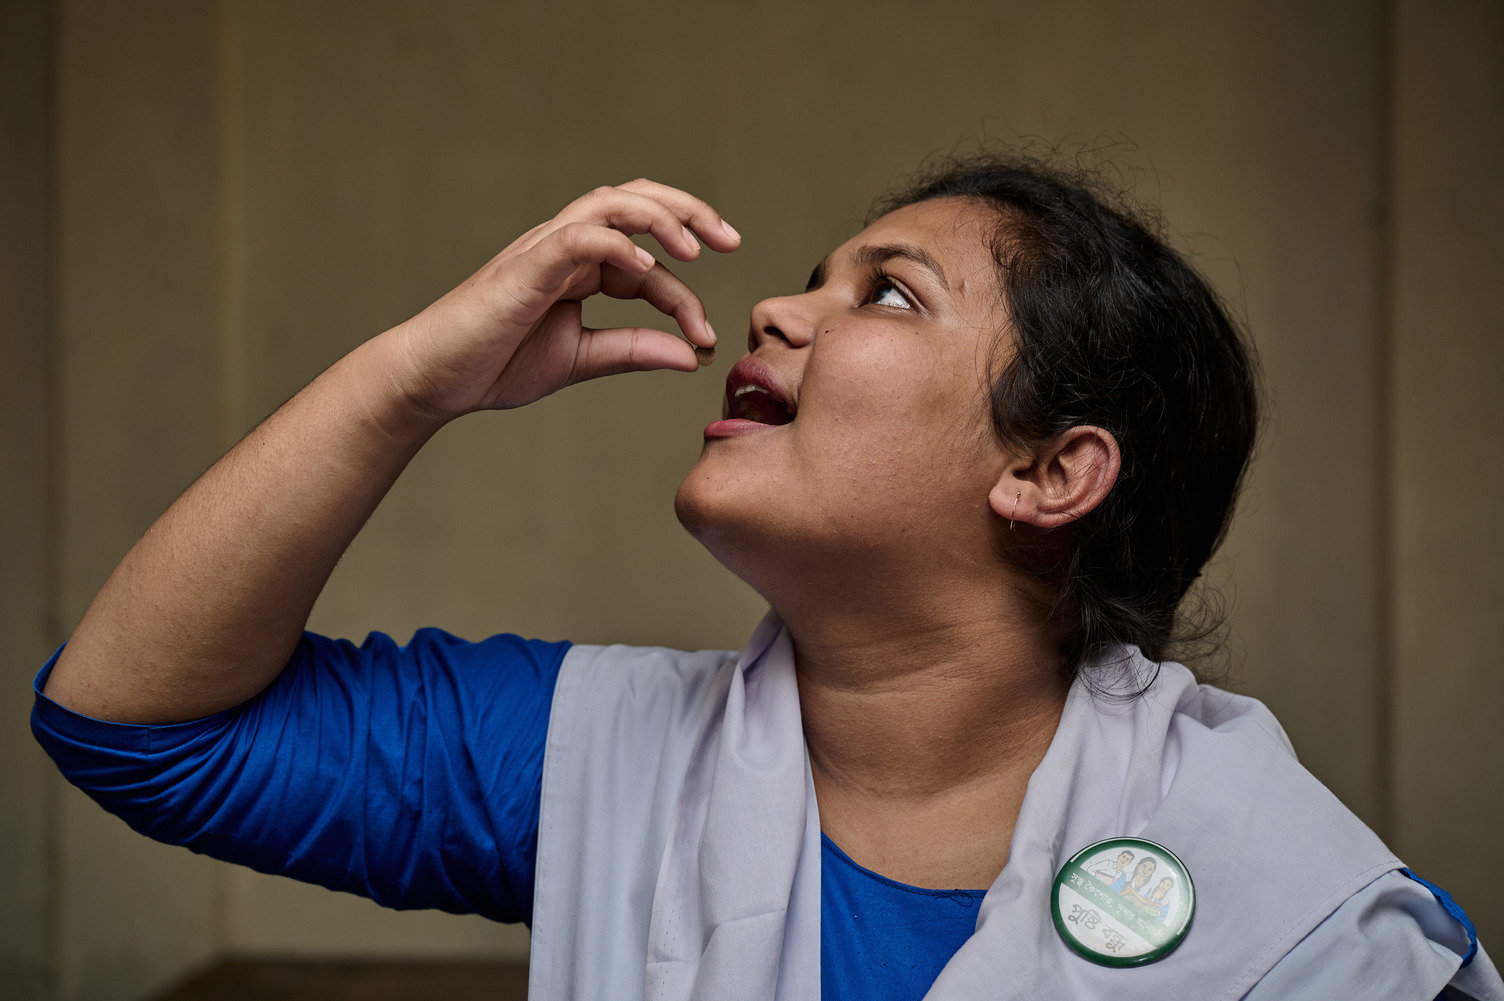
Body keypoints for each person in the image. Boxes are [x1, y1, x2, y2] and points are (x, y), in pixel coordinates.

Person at [30, 155, 1502, 1001]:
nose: (776, 310)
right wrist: (412, 380)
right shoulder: (590, 759)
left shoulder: (1307, 921)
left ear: (1051, 471)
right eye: (815, 273)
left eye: (886, 293)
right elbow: (135, 722)